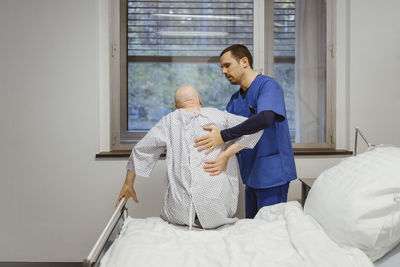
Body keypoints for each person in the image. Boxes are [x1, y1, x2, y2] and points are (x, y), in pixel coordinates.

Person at [117, 86, 262, 229]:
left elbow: (141, 150)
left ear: (175, 107)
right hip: (217, 206)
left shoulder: (169, 121)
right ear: (199, 100)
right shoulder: (219, 116)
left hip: (181, 210)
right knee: (218, 219)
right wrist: (226, 154)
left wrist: (128, 184)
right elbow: (256, 127)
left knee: (178, 219)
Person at [195, 44, 297, 219]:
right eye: (221, 67)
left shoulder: (268, 86)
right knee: (252, 232)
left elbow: (265, 119)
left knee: (269, 232)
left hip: (272, 173)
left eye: (227, 65)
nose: (223, 72)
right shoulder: (235, 100)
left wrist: (223, 136)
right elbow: (227, 132)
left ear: (244, 61)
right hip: (251, 175)